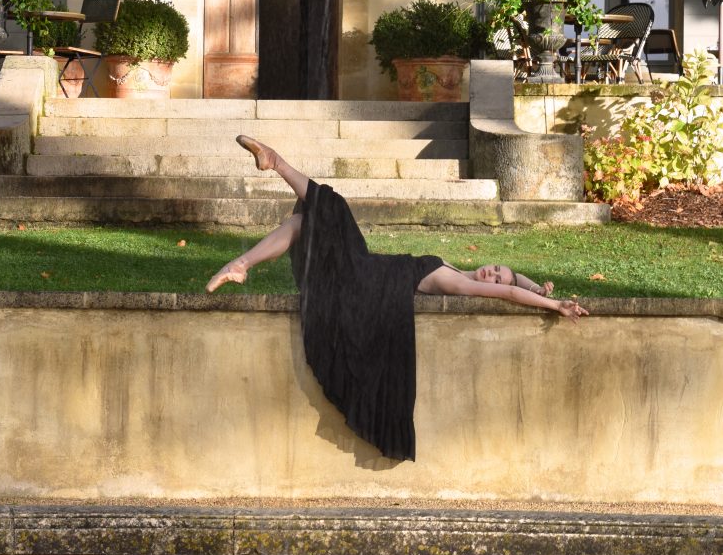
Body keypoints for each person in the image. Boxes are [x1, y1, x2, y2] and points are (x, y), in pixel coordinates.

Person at [206, 136, 588, 461]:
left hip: (362, 281)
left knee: (331, 209)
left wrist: (552, 305)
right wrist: (537, 287)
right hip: (364, 269)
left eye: (498, 278)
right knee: (305, 221)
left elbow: (506, 293)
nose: (492, 274)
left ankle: (276, 163)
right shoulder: (453, 268)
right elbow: (514, 284)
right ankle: (241, 263)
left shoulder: (454, 283)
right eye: (497, 268)